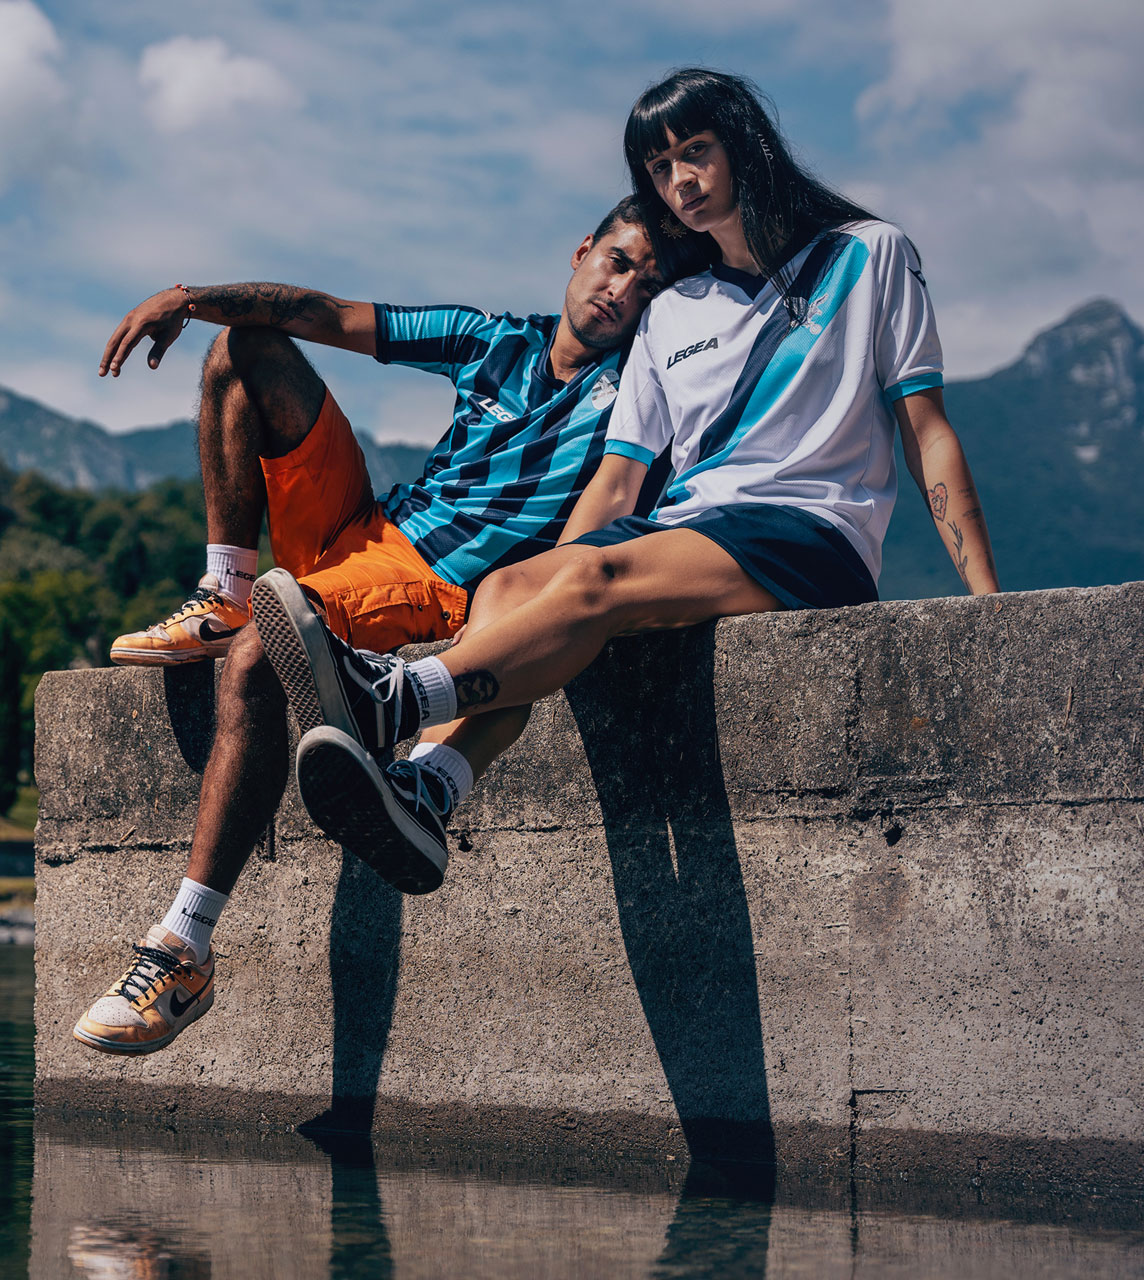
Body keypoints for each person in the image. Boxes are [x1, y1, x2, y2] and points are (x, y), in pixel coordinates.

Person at [254, 67, 999, 903]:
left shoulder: (867, 255)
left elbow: (927, 431)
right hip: (685, 533)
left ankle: (393, 701)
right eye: (659, 168)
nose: (680, 181)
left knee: (590, 579)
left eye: (696, 151)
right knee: (514, 585)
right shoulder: (672, 311)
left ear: (745, 144)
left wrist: (987, 604)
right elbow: (617, 484)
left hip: (810, 534)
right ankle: (431, 789)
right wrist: (545, 597)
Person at [73, 199, 693, 1055]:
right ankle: (223, 587)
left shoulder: (635, 399)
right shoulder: (491, 339)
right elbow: (327, 316)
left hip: (429, 587)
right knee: (245, 345)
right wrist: (191, 296)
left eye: (650, 287)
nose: (623, 292)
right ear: (582, 251)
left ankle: (182, 949)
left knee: (263, 654)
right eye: (619, 262)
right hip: (363, 524)